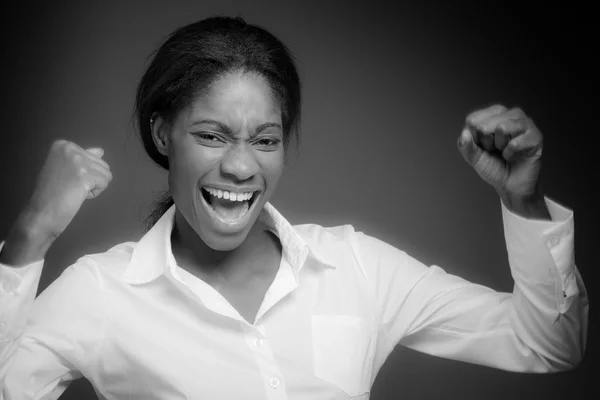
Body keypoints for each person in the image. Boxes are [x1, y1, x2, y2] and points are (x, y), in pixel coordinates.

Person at [0, 15, 588, 400]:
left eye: (264, 139)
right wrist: (32, 234)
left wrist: (523, 201)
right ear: (161, 135)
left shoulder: (355, 266)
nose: (240, 166)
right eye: (211, 135)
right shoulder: (102, 291)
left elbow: (545, 345)